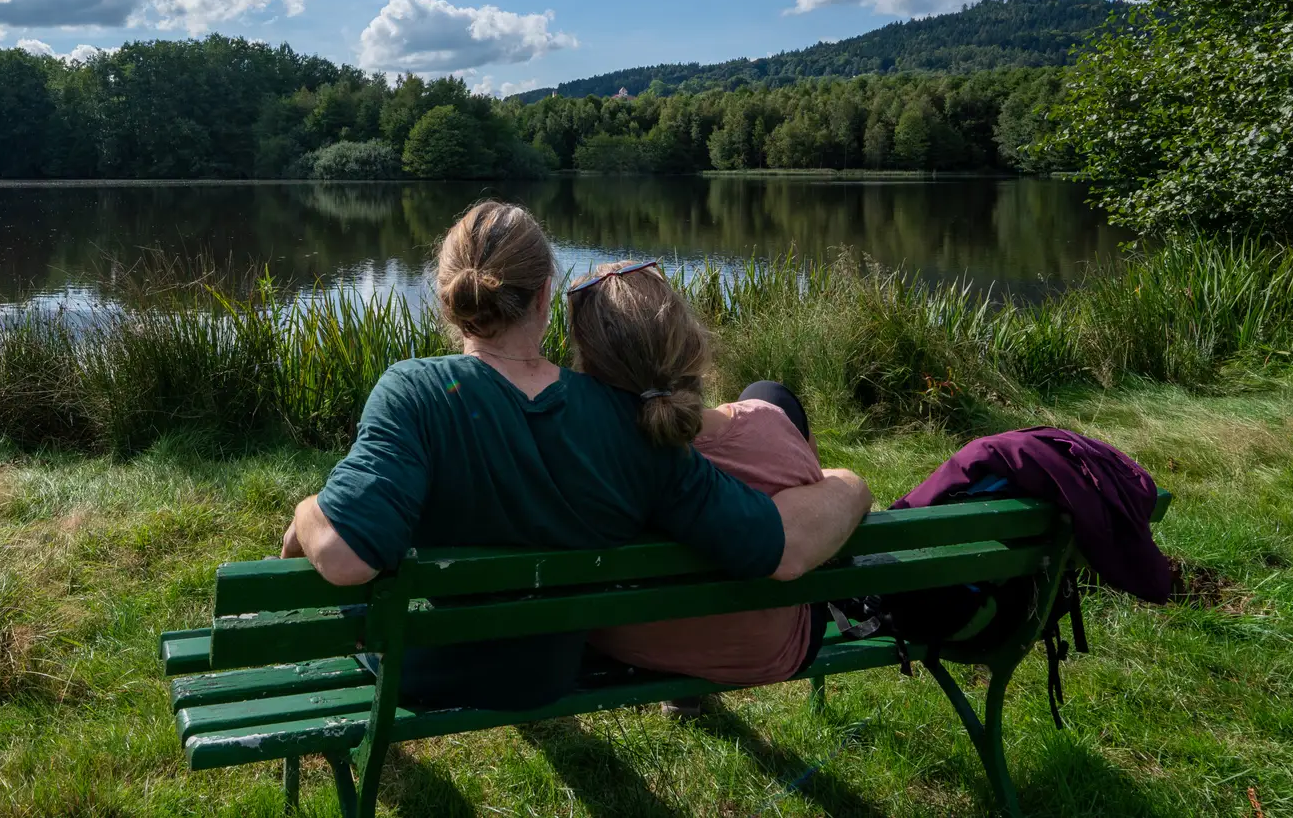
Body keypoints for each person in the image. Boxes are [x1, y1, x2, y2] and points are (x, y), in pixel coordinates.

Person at [279, 201, 870, 710]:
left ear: (447, 298)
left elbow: (345, 557)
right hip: (548, 675)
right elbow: (776, 544)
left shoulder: (413, 394)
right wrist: (851, 485)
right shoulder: (625, 418)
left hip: (423, 672)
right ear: (543, 296)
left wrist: (308, 510)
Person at [564, 257, 829, 704]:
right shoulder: (768, 427)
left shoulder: (570, 457)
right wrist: (843, 485)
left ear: (587, 362)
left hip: (622, 646)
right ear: (689, 346)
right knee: (771, 394)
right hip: (766, 649)